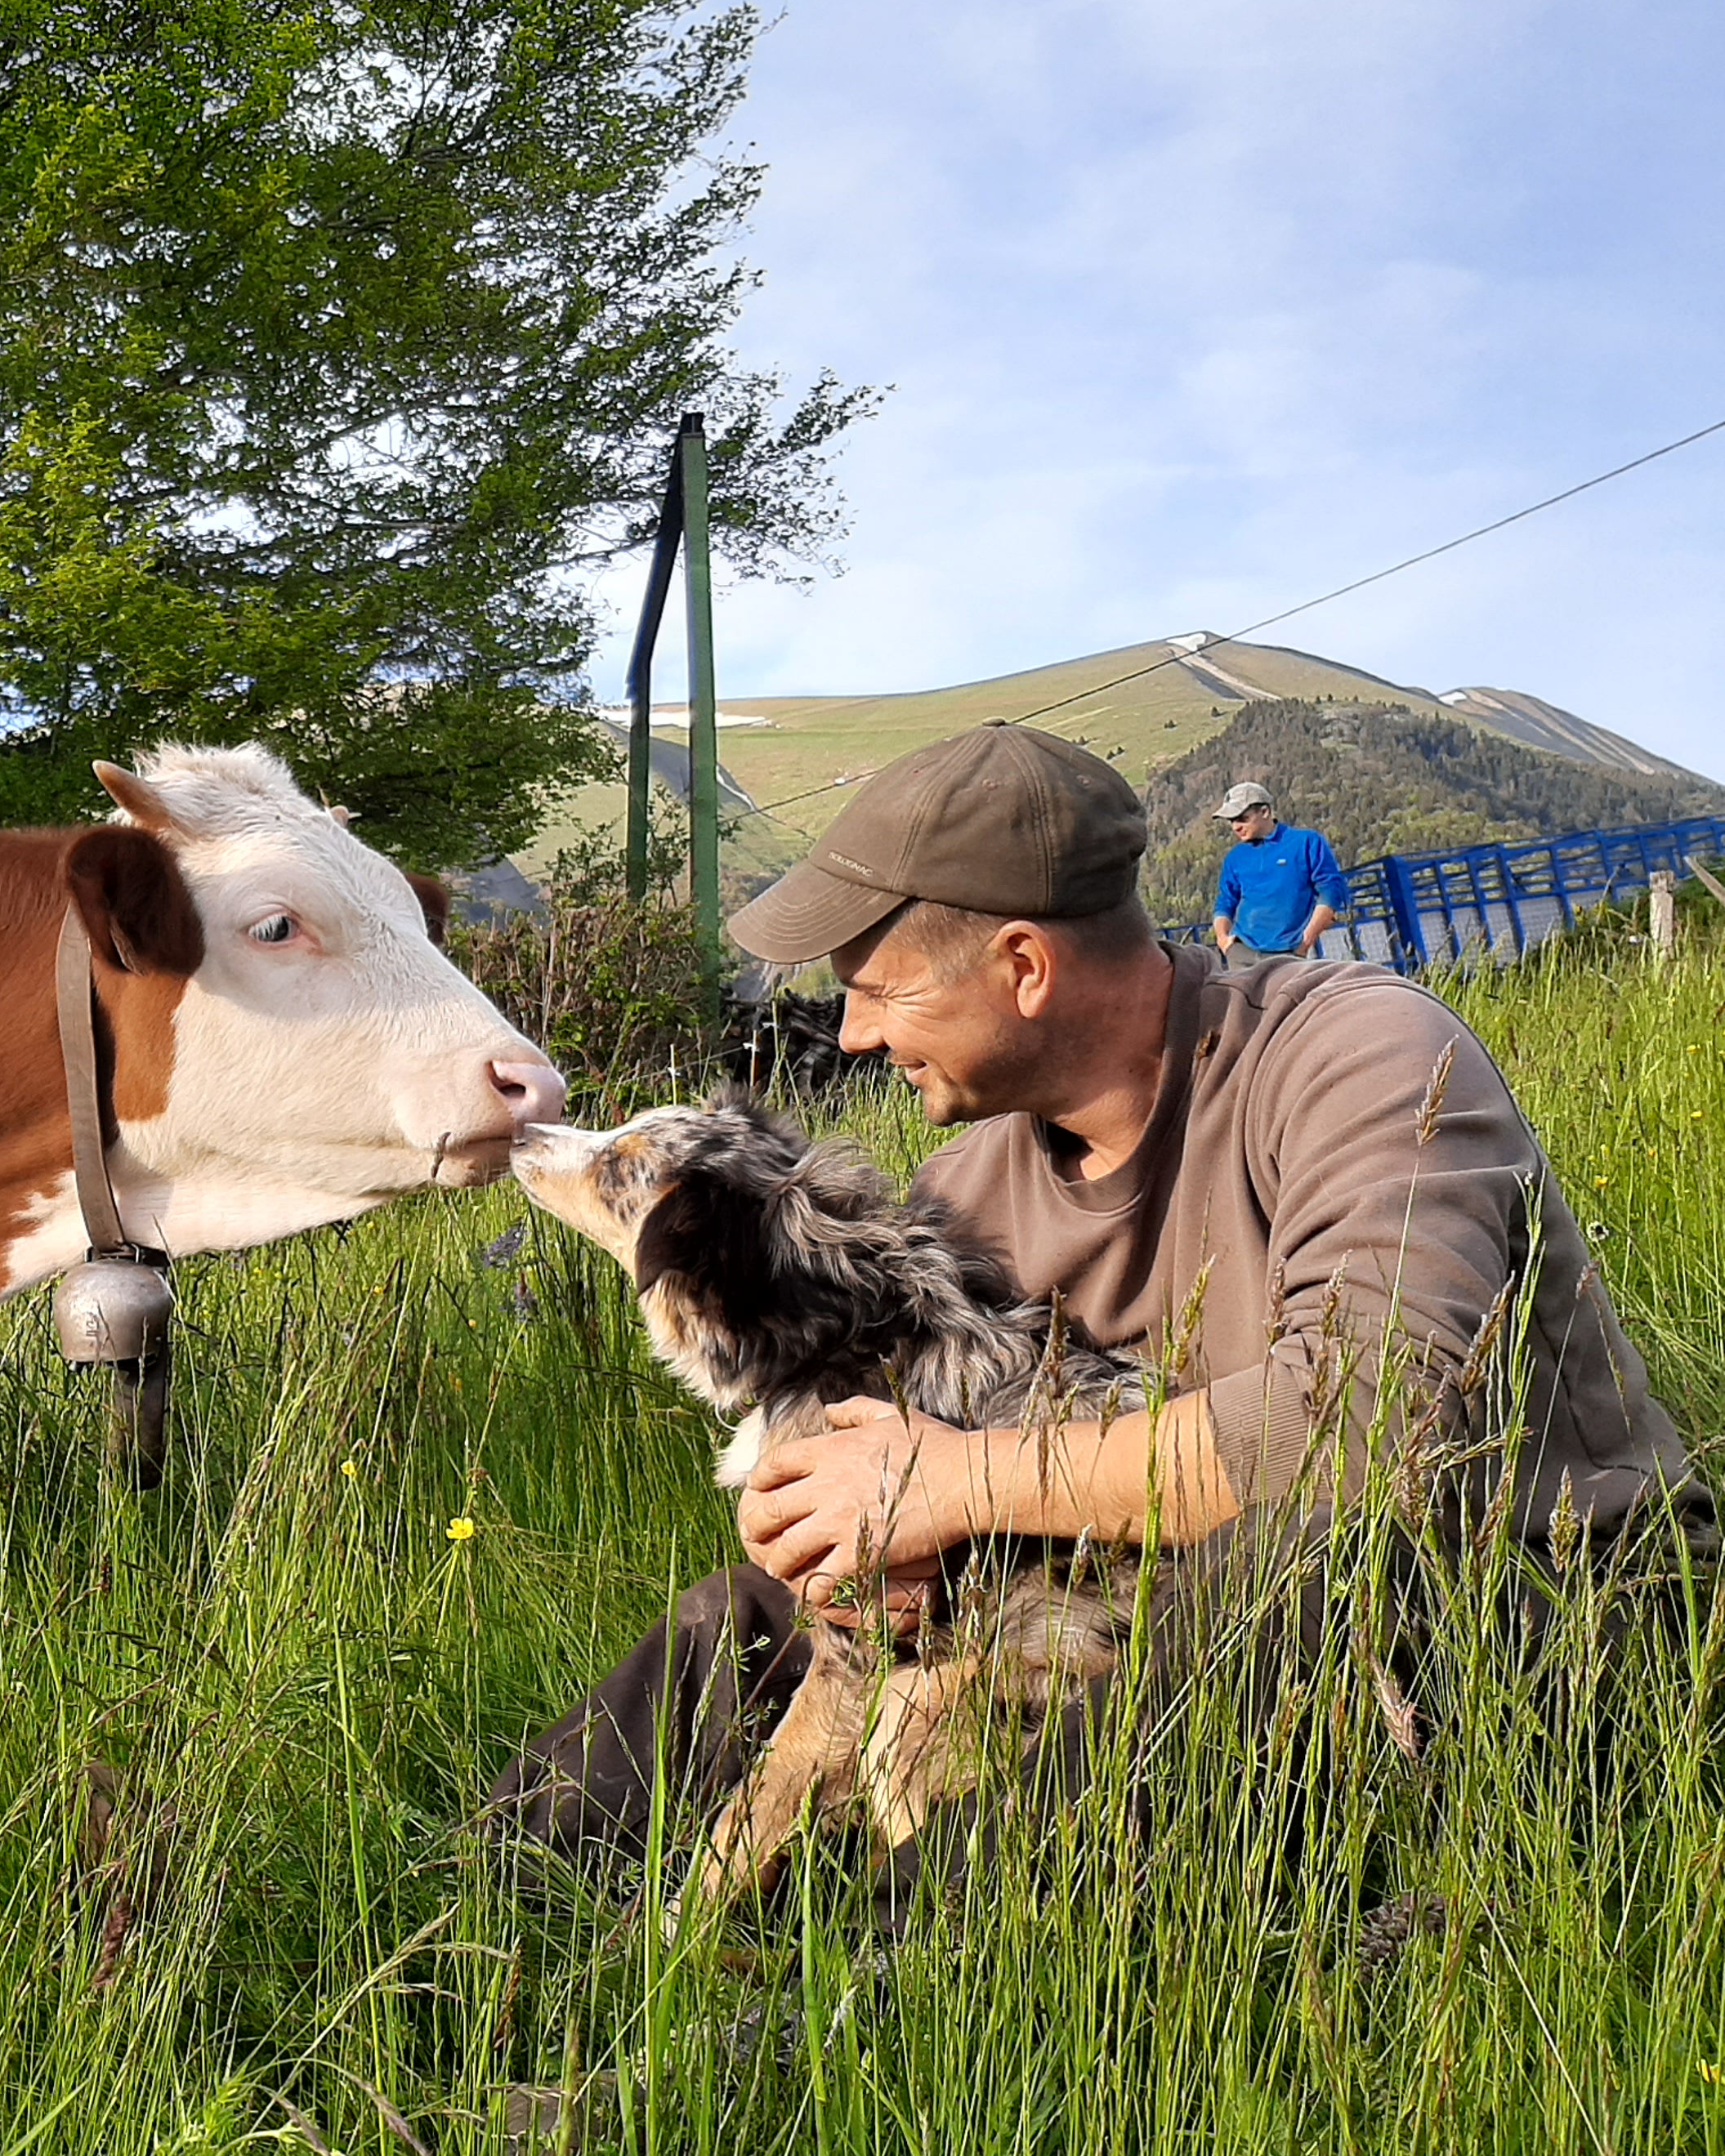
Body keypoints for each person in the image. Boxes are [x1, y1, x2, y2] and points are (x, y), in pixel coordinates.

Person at [485, 724, 1709, 1903]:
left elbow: (1370, 1430)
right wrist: (860, 1551)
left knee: (1267, 1585)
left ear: (1023, 965)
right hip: (1136, 1595)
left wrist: (957, 1490)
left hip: (1522, 1610)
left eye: (876, 989)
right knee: (736, 1626)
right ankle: (464, 1935)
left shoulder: (1363, 1057)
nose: (852, 1032)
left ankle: (845, 2021)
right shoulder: (969, 1186)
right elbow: (900, 1466)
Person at [1207, 780, 1350, 962]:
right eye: (1232, 820)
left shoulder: (1306, 842)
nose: (1236, 826)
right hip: (1242, 952)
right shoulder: (1235, 857)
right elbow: (1225, 901)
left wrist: (1305, 943)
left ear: (1265, 812)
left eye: (1243, 818)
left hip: (1289, 952)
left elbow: (1330, 891)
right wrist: (1224, 941)